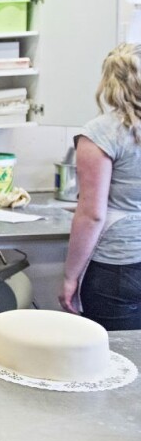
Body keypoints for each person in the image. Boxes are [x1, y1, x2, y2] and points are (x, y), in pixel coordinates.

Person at [59, 43, 141, 330]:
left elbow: (92, 214)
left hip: (120, 264)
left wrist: (70, 277)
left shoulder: (101, 132)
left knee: (119, 359)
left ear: (109, 82)